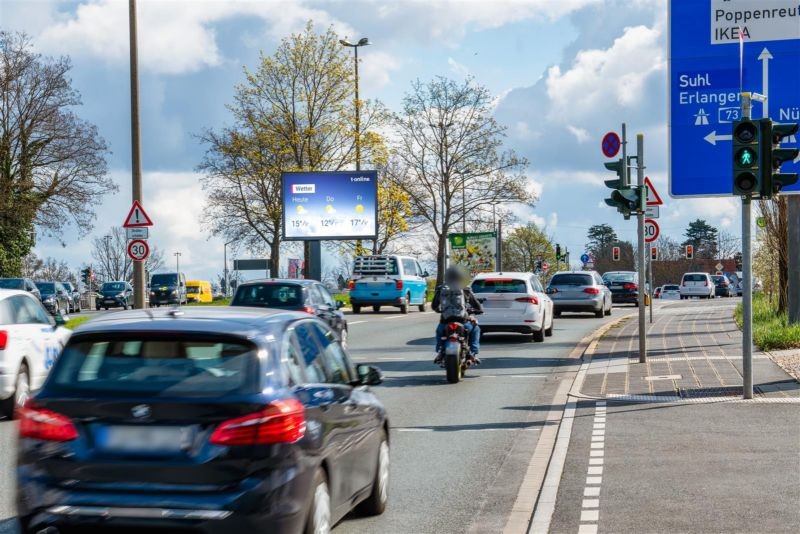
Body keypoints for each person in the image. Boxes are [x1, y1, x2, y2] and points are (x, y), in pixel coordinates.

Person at [432, 266, 483, 364]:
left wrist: (440, 310)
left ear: (447, 276)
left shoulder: (441, 289)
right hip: (463, 322)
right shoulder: (465, 290)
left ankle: (439, 352)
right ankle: (473, 353)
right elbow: (477, 306)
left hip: (445, 322)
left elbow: (434, 306)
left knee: (439, 332)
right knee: (476, 329)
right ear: (460, 277)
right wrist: (477, 311)